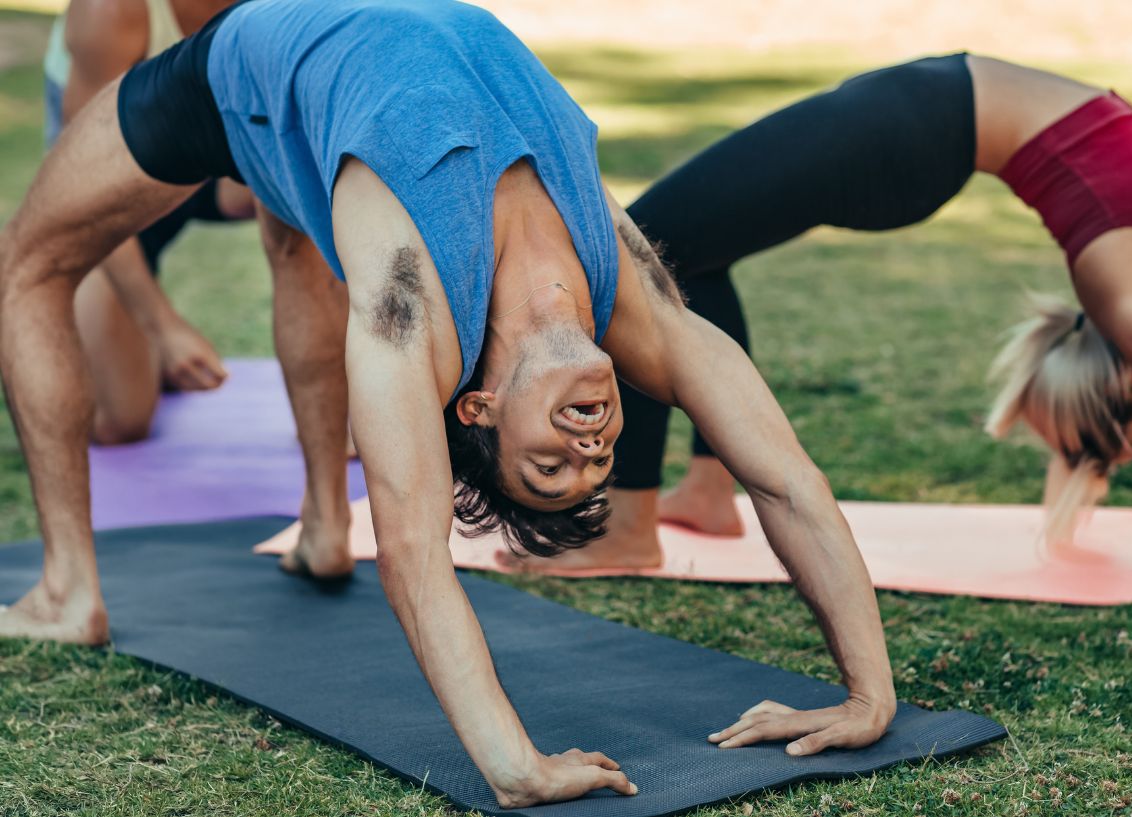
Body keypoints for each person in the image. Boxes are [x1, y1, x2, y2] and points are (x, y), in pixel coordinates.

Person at [0, 1, 897, 806]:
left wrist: (516, 763)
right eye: (592, 464)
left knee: (27, 265)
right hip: (329, 68)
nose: (590, 448)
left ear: (479, 406)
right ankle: (314, 525)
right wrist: (869, 691)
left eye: (547, 464)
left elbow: (413, 556)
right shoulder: (626, 295)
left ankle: (74, 589)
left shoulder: (409, 309)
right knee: (292, 229)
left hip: (239, 66)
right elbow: (783, 479)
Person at [539, 53, 1132, 613]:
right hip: (911, 127)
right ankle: (687, 495)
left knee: (647, 252)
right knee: (664, 249)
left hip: (918, 125)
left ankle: (643, 518)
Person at [45, 0, 255, 445]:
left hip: (198, 171)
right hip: (103, 195)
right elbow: (88, 194)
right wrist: (163, 325)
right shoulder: (110, 12)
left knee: (300, 180)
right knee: (121, 420)